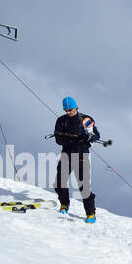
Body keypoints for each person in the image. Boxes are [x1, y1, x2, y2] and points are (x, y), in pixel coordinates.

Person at [52, 96, 103, 224]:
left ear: (76, 107)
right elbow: (58, 139)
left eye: (71, 109)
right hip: (67, 154)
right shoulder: (61, 121)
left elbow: (96, 135)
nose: (69, 112)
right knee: (59, 182)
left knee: (83, 186)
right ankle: (64, 204)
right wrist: (72, 140)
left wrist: (91, 138)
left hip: (82, 155)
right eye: (66, 110)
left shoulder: (85, 119)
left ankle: (90, 213)